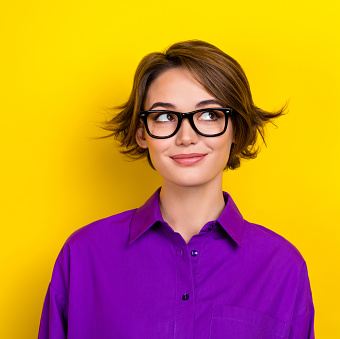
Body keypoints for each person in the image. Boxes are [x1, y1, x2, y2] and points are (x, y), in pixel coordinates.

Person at [38, 40, 314, 339]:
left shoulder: (282, 266)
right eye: (165, 117)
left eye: (209, 115)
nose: (186, 137)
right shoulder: (84, 255)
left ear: (236, 128)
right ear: (142, 133)